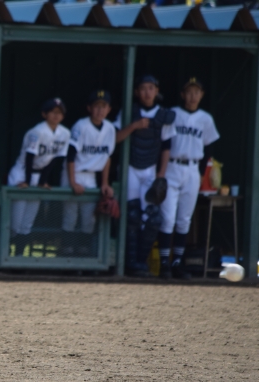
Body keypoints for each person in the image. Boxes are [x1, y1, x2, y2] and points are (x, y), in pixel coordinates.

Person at [114, 75, 176, 277]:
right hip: (130, 168)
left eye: (151, 88)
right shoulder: (129, 111)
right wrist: (134, 126)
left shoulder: (164, 115)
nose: (147, 92)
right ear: (136, 92)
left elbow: (166, 147)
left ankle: (141, 262)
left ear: (157, 91)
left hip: (150, 169)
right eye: (143, 88)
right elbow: (115, 139)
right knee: (132, 216)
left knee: (153, 218)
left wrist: (161, 175)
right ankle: (130, 263)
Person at [157, 77, 219, 279]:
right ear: (183, 94)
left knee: (184, 219)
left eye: (196, 92)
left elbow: (208, 148)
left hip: (193, 169)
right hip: (172, 167)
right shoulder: (173, 113)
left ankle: (176, 262)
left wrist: (201, 173)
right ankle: (164, 263)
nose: (193, 96)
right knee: (167, 218)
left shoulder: (205, 118)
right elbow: (165, 143)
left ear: (201, 95)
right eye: (189, 92)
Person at [7, 97, 70, 256]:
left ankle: (19, 257)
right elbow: (29, 157)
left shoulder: (64, 133)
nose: (56, 115)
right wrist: (27, 182)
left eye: (59, 112)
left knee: (27, 223)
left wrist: (42, 181)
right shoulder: (37, 131)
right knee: (15, 223)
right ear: (44, 114)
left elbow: (54, 159)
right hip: (22, 174)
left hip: (38, 175)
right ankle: (6, 256)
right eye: (52, 112)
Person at [61, 90, 115, 256]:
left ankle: (84, 253)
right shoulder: (80, 126)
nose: (100, 110)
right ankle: (67, 252)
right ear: (89, 108)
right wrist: (73, 182)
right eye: (96, 106)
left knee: (89, 218)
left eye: (103, 106)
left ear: (109, 109)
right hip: (73, 172)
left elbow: (107, 157)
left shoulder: (110, 128)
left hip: (91, 176)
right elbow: (70, 156)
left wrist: (105, 183)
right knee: (70, 216)